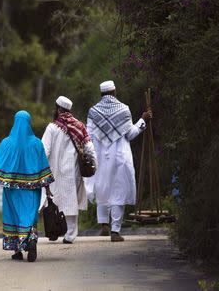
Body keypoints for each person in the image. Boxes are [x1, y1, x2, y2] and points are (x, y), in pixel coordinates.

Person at [84, 80, 152, 242]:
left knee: (102, 187)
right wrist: (143, 121)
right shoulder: (123, 109)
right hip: (120, 157)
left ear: (102, 94)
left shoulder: (93, 112)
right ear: (114, 92)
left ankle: (103, 225)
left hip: (99, 157)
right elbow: (130, 134)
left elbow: (89, 136)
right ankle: (115, 231)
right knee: (118, 190)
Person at [0, 111, 54, 262]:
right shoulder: (36, 143)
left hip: (11, 190)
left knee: (13, 216)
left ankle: (17, 250)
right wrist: (48, 189)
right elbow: (43, 166)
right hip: (32, 191)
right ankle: (31, 240)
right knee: (29, 217)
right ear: (29, 123)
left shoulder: (6, 143)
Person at [41, 96, 97, 244]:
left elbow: (44, 151)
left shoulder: (52, 128)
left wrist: (40, 167)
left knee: (54, 200)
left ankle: (54, 229)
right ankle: (70, 234)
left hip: (55, 171)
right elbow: (89, 147)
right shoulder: (79, 126)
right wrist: (94, 164)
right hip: (73, 172)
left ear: (58, 109)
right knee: (70, 201)